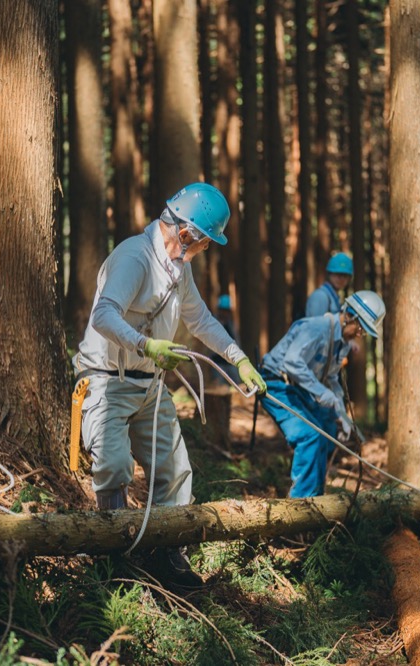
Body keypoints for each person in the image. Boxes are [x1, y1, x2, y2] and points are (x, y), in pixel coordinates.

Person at [72, 182, 265, 588]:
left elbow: (201, 321)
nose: (206, 249)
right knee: (113, 466)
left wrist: (238, 359)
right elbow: (103, 315)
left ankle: (165, 554)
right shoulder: (133, 258)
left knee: (175, 471)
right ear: (185, 233)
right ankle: (114, 556)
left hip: (150, 384)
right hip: (108, 381)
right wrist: (147, 344)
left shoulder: (180, 269)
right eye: (205, 242)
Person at [259, 291, 385, 498]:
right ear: (350, 316)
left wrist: (342, 414)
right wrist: (320, 392)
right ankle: (301, 503)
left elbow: (332, 378)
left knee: (327, 429)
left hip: (298, 387)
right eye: (360, 329)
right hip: (275, 384)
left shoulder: (341, 344)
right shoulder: (316, 328)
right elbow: (292, 363)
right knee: (309, 436)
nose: (358, 335)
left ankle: (316, 494)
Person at [304, 252, 354, 318]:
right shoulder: (320, 296)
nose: (341, 279)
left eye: (345, 275)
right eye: (338, 274)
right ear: (329, 274)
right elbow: (316, 326)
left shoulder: (333, 297)